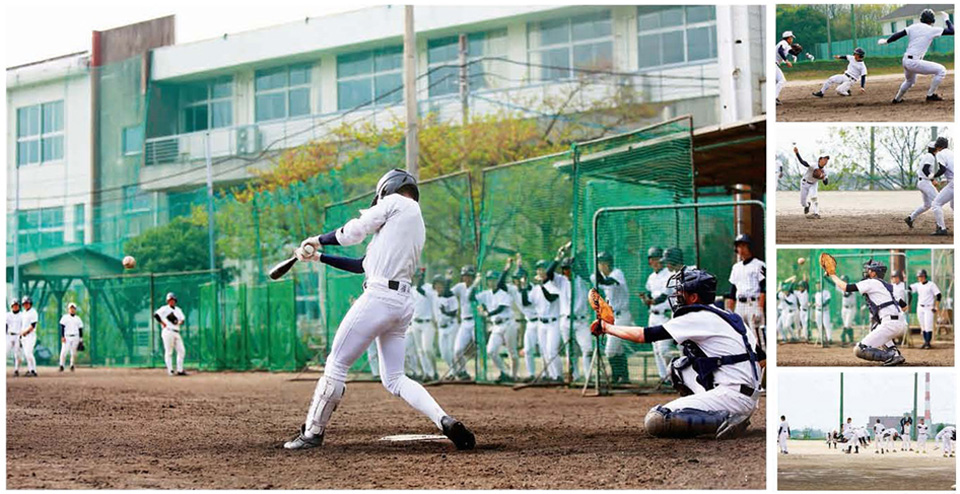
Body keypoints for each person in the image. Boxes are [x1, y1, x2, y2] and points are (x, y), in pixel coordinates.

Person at [283, 169, 475, 450]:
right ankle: (444, 420)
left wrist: (317, 239)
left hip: (380, 297)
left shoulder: (394, 202)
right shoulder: (412, 221)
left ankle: (312, 433)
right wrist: (319, 257)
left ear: (387, 189)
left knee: (336, 364)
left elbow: (354, 232)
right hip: (402, 303)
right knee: (395, 378)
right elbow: (363, 264)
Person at [589, 267, 761, 439]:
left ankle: (725, 418)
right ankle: (717, 410)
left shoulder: (696, 316)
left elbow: (644, 335)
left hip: (732, 397)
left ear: (694, 297)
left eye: (681, 292)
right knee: (679, 367)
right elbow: (762, 359)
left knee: (657, 419)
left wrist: (607, 327)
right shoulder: (728, 316)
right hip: (745, 396)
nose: (677, 295)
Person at [825, 259, 908, 366]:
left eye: (869, 270)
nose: (867, 272)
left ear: (874, 273)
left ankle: (892, 356)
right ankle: (894, 352)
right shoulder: (888, 286)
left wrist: (832, 275)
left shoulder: (871, 282)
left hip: (890, 324)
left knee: (860, 349)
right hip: (902, 324)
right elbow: (904, 307)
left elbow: (846, 287)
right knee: (875, 327)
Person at [879, 9, 953, 103]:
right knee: (941, 70)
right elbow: (952, 31)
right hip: (914, 62)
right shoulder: (932, 30)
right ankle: (930, 95)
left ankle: (897, 99)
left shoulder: (913, 27)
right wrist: (946, 19)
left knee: (909, 81)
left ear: (921, 19)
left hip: (906, 60)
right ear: (932, 20)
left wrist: (886, 41)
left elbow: (899, 34)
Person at [593, 251, 632, 384]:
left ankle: (617, 376)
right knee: (617, 349)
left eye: (602, 263)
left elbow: (606, 282)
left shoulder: (617, 273)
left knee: (610, 350)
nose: (600, 266)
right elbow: (594, 279)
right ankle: (623, 377)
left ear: (608, 264)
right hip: (611, 317)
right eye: (599, 264)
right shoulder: (604, 275)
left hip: (621, 316)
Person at [477, 267, 517, 383]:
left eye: (494, 279)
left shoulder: (504, 293)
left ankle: (513, 376)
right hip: (496, 326)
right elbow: (472, 298)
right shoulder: (486, 294)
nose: (491, 282)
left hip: (508, 323)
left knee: (512, 352)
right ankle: (504, 372)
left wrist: (487, 313)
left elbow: (501, 308)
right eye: (489, 280)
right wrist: (476, 282)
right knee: (491, 351)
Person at [642, 246, 674, 382]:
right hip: (653, 316)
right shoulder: (651, 277)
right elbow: (649, 292)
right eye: (652, 259)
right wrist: (645, 299)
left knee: (664, 350)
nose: (655, 262)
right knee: (656, 350)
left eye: (657, 259)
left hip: (665, 316)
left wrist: (651, 301)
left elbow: (663, 296)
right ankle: (664, 378)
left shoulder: (669, 274)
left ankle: (675, 375)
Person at [905, 141, 944, 233]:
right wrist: (932, 179)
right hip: (925, 182)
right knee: (937, 202)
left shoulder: (928, 156)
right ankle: (940, 226)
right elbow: (925, 169)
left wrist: (931, 179)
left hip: (922, 182)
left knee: (927, 205)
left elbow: (924, 170)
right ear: (936, 148)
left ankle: (910, 218)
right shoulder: (930, 156)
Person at [154, 292, 187, 376]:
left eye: (172, 300)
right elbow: (156, 315)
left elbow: (182, 319)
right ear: (167, 301)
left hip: (176, 331)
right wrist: (162, 322)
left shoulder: (178, 310)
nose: (171, 301)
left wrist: (178, 322)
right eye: (170, 300)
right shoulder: (164, 308)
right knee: (169, 352)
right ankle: (170, 370)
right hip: (168, 331)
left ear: (175, 300)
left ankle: (180, 370)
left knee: (181, 351)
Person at [909, 269, 942, 349]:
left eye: (921, 276)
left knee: (928, 325)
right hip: (920, 307)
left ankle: (928, 342)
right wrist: (905, 279)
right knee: (923, 326)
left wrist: (936, 306)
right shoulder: (918, 285)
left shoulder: (931, 285)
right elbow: (908, 288)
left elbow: (938, 295)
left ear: (925, 276)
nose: (920, 278)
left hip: (929, 307)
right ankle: (925, 342)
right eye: (919, 276)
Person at [794, 146, 830, 220]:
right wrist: (797, 153)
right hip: (804, 183)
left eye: (827, 159)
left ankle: (816, 213)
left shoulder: (825, 171)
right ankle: (807, 205)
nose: (826, 161)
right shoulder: (813, 165)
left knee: (814, 197)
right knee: (802, 202)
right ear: (820, 159)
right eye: (824, 159)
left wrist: (823, 178)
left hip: (813, 184)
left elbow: (826, 183)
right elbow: (803, 162)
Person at [58, 303, 84, 372]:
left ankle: (72, 365)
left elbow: (80, 329)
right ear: (68, 309)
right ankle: (61, 365)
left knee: (73, 353)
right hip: (67, 336)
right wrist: (62, 336)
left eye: (73, 308)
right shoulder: (65, 317)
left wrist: (81, 340)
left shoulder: (78, 319)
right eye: (70, 308)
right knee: (64, 351)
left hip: (75, 336)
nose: (72, 310)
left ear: (75, 310)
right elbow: (62, 327)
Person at [19, 296, 39, 377]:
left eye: (27, 303)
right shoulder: (23, 312)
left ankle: (34, 370)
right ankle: (30, 369)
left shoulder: (33, 312)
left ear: (30, 303)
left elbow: (33, 325)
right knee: (26, 354)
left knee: (29, 353)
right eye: (24, 304)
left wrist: (25, 332)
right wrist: (21, 333)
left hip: (30, 335)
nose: (26, 305)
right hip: (24, 336)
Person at [6, 298, 22, 377]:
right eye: (14, 305)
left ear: (19, 306)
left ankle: (16, 370)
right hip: (9, 335)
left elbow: (23, 326)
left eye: (16, 305)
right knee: (5, 352)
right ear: (11, 306)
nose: (15, 307)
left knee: (17, 354)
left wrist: (22, 338)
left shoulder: (22, 315)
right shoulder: (7, 315)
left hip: (18, 335)